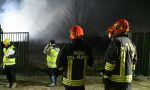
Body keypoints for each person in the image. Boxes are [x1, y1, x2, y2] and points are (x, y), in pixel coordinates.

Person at [102, 19, 138, 90]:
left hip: (115, 82)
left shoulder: (116, 42)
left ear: (117, 29)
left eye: (114, 30)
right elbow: (134, 63)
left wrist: (106, 75)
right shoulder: (131, 43)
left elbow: (110, 62)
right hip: (127, 82)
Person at [56, 25, 94, 90]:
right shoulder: (87, 48)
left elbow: (58, 64)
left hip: (68, 83)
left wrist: (63, 70)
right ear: (82, 35)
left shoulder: (66, 48)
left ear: (71, 36)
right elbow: (91, 63)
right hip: (80, 82)